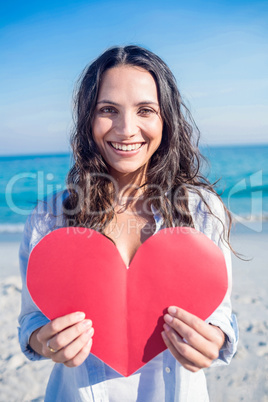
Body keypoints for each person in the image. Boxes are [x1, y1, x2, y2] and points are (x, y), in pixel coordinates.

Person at [18, 45, 238, 401]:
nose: (126, 129)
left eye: (145, 110)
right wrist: (45, 342)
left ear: (166, 120)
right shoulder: (50, 218)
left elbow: (222, 316)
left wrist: (215, 339)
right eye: (108, 110)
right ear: (88, 120)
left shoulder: (201, 210)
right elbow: (31, 321)